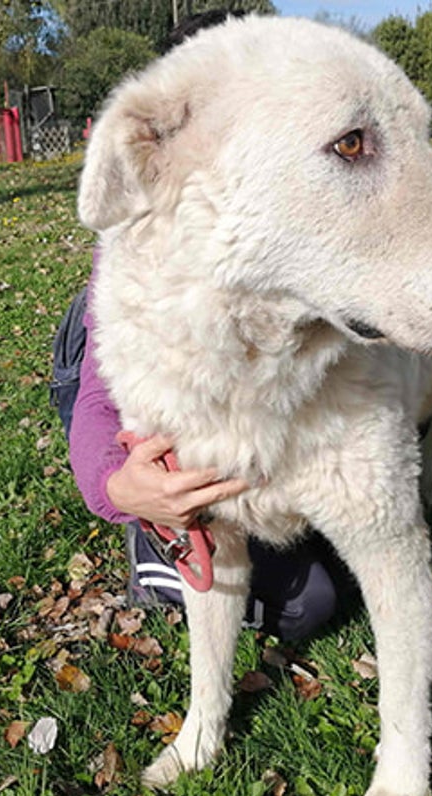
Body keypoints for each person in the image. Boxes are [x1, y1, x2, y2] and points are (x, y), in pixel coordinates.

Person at [49, 11, 348, 643]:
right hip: (98, 360)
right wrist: (118, 486)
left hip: (247, 387)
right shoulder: (143, 214)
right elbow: (103, 396)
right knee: (306, 600)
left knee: (317, 597)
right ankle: (154, 542)